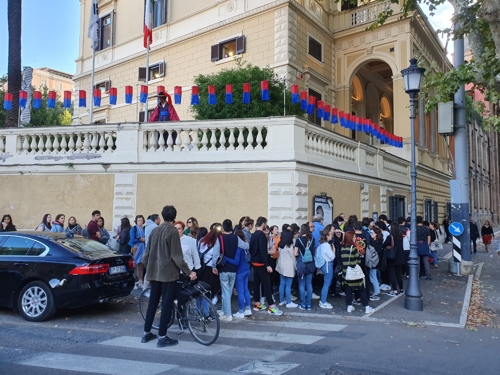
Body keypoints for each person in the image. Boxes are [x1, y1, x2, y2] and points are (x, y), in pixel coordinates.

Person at [141, 205, 197, 348]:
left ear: (163, 215)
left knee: (153, 303)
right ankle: (162, 336)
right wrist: (188, 272)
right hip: (168, 274)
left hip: (154, 272)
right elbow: (177, 256)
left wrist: (146, 268)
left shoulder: (155, 230)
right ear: (174, 216)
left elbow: (146, 253)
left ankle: (146, 333)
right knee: (166, 304)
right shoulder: (172, 232)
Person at [217, 219, 250, 321]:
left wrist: (214, 266)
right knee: (228, 292)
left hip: (223, 268)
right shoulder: (236, 238)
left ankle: (228, 314)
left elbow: (215, 253)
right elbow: (246, 246)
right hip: (234, 270)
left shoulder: (220, 238)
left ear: (223, 227)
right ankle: (223, 310)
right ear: (231, 227)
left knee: (225, 292)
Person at [250, 216, 283, 315]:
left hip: (254, 262)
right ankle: (271, 307)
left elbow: (251, 249)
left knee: (256, 283)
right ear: (263, 224)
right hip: (261, 263)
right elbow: (263, 251)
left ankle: (257, 304)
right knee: (267, 285)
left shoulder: (253, 235)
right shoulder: (261, 236)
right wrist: (267, 265)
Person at [341, 230, 374, 314]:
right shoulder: (354, 248)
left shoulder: (342, 248)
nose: (355, 238)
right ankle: (366, 307)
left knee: (348, 289)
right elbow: (358, 260)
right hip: (354, 272)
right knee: (361, 289)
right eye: (354, 237)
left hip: (346, 272)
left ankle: (349, 306)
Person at [225, 229, 252, 318]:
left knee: (240, 292)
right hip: (246, 269)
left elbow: (236, 262)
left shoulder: (238, 248)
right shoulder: (244, 247)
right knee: (246, 290)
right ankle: (248, 309)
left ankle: (241, 312)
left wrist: (225, 258)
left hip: (240, 272)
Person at [295, 223, 317, 311]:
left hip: (302, 264)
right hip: (310, 264)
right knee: (309, 284)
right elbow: (314, 251)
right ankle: (309, 304)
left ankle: (303, 304)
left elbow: (295, 253)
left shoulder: (298, 240)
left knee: (301, 284)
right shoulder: (312, 239)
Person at [276, 229, 297, 308]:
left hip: (281, 267)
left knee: (282, 284)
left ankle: (281, 300)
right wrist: (296, 266)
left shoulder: (280, 245)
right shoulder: (290, 246)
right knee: (288, 285)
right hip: (289, 268)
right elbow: (293, 257)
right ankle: (288, 301)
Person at [316, 226, 335, 309]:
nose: (332, 236)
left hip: (324, 264)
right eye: (330, 235)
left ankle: (323, 300)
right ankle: (323, 301)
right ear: (327, 236)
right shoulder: (327, 245)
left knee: (326, 283)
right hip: (328, 264)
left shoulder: (322, 245)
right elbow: (332, 257)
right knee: (327, 284)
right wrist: (333, 250)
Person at [386, 224, 405, 296]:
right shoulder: (401, 236)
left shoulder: (390, 237)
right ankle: (402, 289)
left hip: (392, 257)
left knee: (392, 274)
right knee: (398, 274)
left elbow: (384, 244)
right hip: (400, 257)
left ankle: (395, 290)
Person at [129, 215, 146, 288]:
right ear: (136, 221)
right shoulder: (134, 229)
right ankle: (133, 281)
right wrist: (141, 240)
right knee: (134, 265)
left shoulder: (144, 228)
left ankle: (140, 282)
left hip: (143, 248)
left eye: (141, 220)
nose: (140, 222)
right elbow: (132, 239)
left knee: (141, 265)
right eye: (139, 220)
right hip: (136, 248)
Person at [416, 216, 432, 280]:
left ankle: (417, 275)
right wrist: (426, 245)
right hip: (425, 245)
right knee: (426, 262)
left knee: (417, 262)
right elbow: (429, 238)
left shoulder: (414, 229)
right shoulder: (426, 228)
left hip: (417, 245)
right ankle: (428, 275)